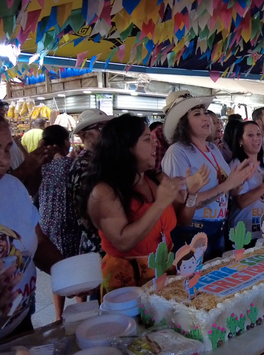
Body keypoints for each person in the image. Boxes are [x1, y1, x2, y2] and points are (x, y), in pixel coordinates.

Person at [0, 105, 65, 351]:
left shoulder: (11, 186)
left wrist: (70, 273)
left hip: (20, 326)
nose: (4, 161)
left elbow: (37, 240)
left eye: (7, 149)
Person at [83, 114, 209, 297]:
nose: (155, 143)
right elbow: (123, 241)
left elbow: (183, 219)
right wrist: (160, 203)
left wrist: (193, 193)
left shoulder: (155, 178)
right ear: (126, 147)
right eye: (147, 139)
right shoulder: (104, 191)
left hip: (163, 268)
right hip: (126, 279)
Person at [162, 94, 254, 260]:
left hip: (218, 227)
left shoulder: (212, 148)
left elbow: (227, 186)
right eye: (197, 114)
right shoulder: (177, 152)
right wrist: (227, 185)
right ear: (183, 123)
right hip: (192, 230)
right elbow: (182, 204)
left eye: (205, 113)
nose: (206, 118)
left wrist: (239, 181)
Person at [0, 84, 55, 195]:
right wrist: (26, 167)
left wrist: (36, 165)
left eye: (2, 105)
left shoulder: (9, 142)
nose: (1, 110)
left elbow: (29, 190)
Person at [38, 125, 82, 320]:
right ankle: (82, 315)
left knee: (57, 271)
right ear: (64, 143)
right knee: (77, 271)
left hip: (47, 223)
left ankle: (58, 317)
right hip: (69, 224)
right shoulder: (69, 165)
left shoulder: (41, 166)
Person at [70, 109, 113, 256]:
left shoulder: (100, 161)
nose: (106, 132)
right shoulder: (84, 166)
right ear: (83, 135)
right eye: (100, 128)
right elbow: (88, 216)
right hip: (98, 248)